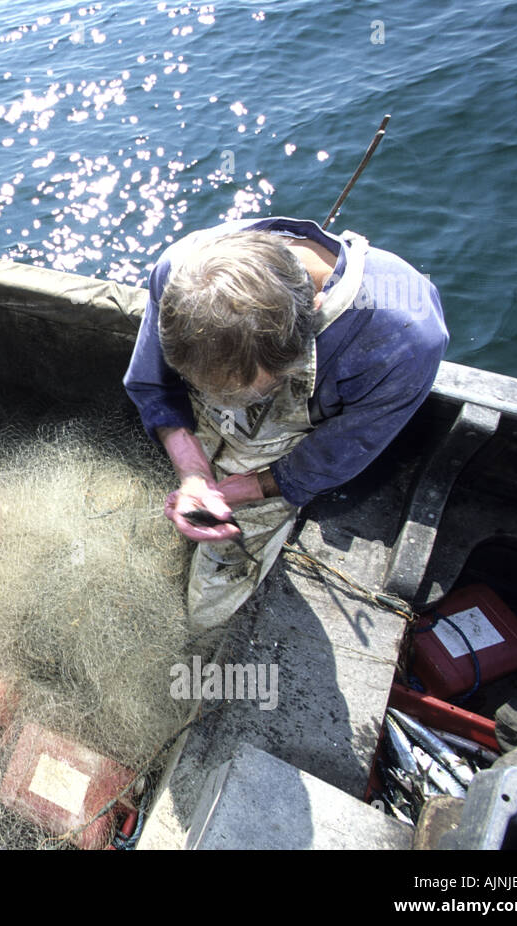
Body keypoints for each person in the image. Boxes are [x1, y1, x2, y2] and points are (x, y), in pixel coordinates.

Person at [124, 216, 448, 627]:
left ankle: (202, 625)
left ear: (309, 320)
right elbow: (153, 385)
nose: (229, 405)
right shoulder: (179, 272)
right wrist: (192, 475)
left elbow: (332, 456)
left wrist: (238, 494)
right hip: (205, 433)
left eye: (248, 393)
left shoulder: (402, 341)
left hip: (287, 444)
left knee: (223, 574)